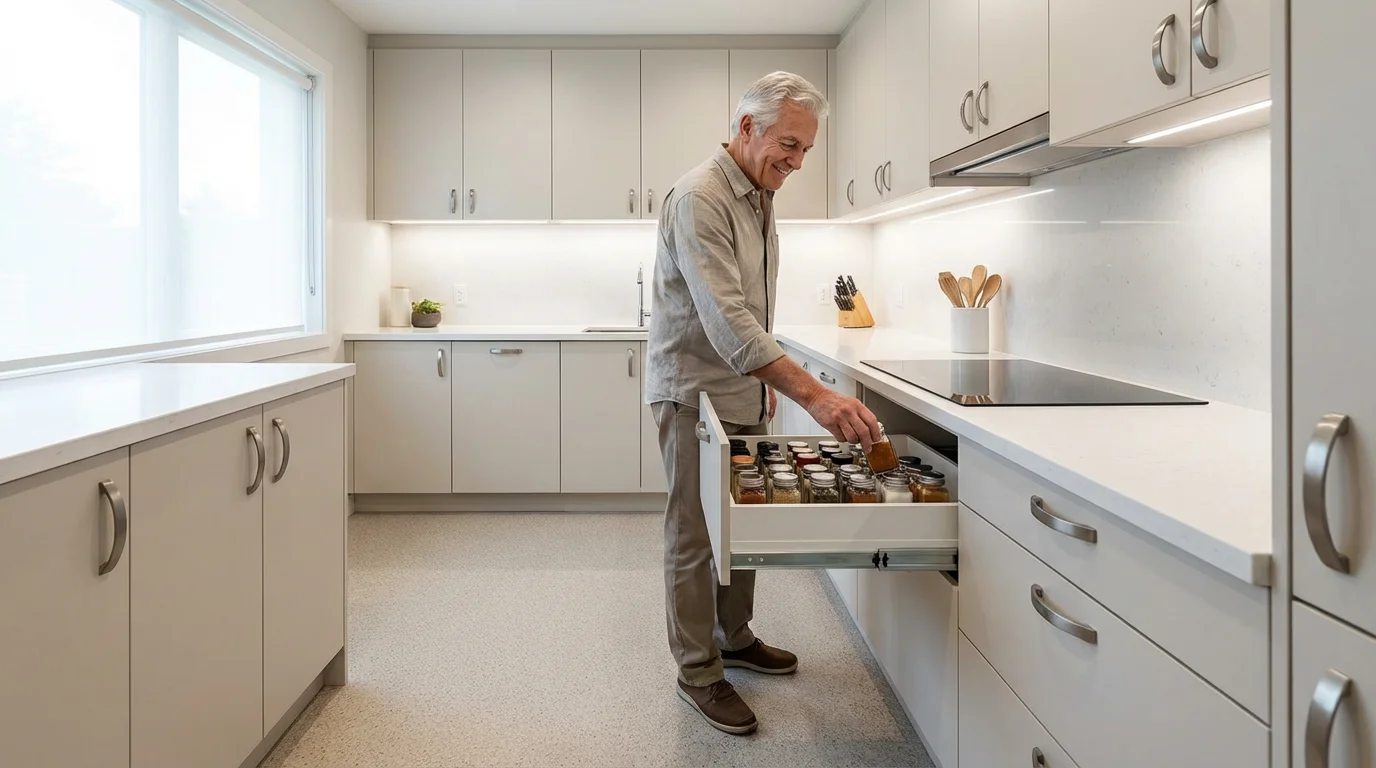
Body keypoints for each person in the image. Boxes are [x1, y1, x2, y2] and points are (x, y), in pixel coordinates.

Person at [644, 71, 883, 736]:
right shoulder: (700, 197)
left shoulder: (757, 191)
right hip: (692, 392)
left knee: (741, 528)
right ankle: (698, 672)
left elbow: (753, 311)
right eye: (789, 144)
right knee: (695, 536)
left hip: (738, 388)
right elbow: (726, 320)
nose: (798, 162)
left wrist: (760, 388)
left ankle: (734, 636)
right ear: (746, 126)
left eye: (806, 149)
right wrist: (812, 393)